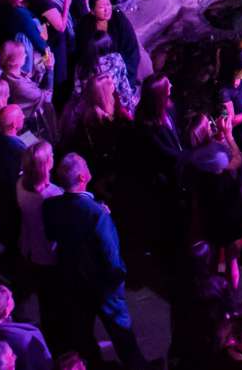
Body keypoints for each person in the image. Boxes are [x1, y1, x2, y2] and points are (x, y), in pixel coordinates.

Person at [38, 153, 146, 370]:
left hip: (74, 282)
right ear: (81, 178)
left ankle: (93, 364)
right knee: (122, 334)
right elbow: (111, 256)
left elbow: (52, 237)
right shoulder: (97, 215)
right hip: (104, 286)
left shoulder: (50, 206)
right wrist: (118, 283)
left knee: (83, 333)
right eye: (86, 166)